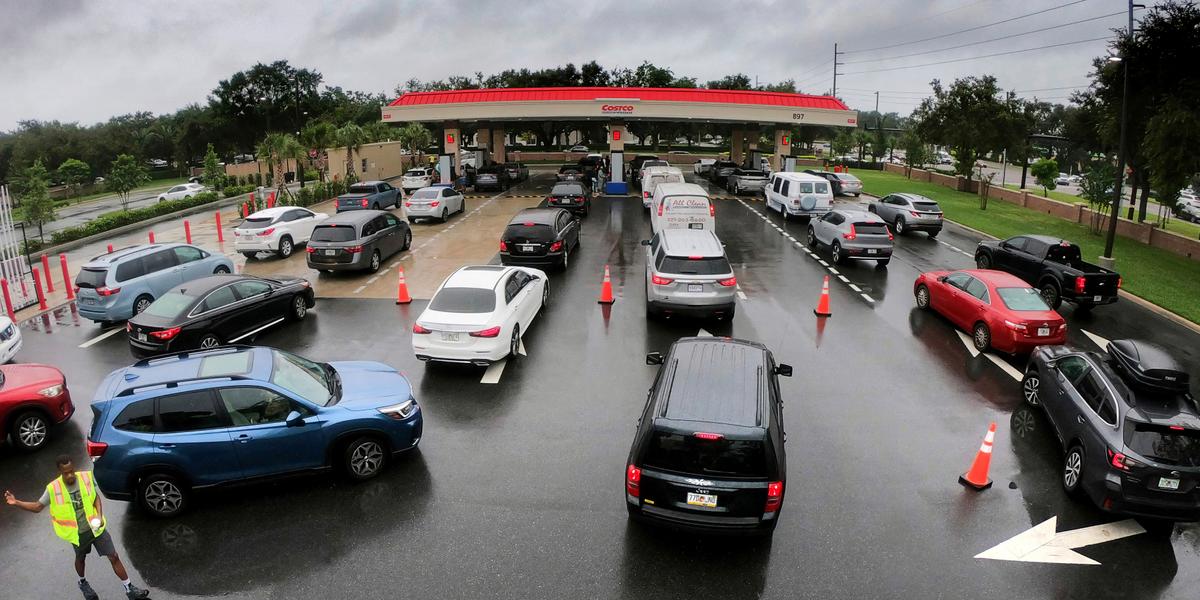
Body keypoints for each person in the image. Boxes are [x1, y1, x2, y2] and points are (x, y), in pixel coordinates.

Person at [5, 455, 150, 600]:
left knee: (113, 556)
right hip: (77, 534)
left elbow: (95, 498)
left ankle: (129, 588)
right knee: (81, 559)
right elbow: (37, 507)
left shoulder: (85, 478)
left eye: (71, 471)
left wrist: (99, 515)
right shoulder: (53, 488)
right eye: (66, 473)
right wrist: (16, 502)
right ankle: (82, 582)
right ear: (60, 472)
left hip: (96, 529)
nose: (70, 475)